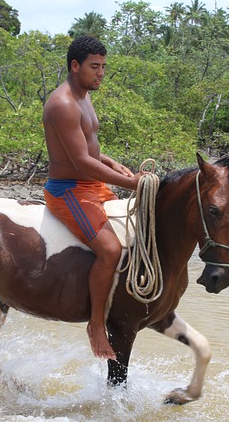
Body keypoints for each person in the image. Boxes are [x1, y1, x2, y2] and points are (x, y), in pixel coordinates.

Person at [43, 36, 141, 360]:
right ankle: (96, 324)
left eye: (103, 67)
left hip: (92, 186)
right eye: (94, 67)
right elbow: (81, 161)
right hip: (69, 190)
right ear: (75, 66)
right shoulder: (63, 104)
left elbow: (90, 148)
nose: (101, 73)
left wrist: (112, 162)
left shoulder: (84, 96)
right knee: (111, 249)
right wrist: (130, 182)